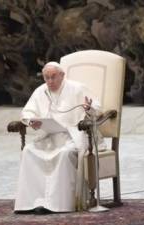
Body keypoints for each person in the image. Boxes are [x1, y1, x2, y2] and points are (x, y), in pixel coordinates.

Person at [14, 61, 101, 214]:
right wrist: (30, 121)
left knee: (64, 154)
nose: (50, 81)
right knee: (28, 151)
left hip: (73, 136)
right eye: (46, 78)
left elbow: (98, 107)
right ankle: (32, 202)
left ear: (62, 75)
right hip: (48, 137)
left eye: (53, 77)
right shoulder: (40, 91)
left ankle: (58, 204)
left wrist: (89, 108)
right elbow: (27, 112)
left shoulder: (77, 88)